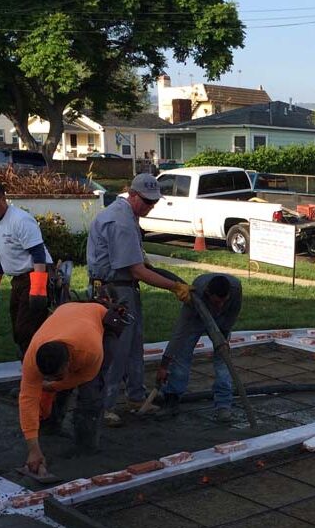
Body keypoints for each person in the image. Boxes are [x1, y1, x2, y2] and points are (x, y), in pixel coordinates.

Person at [86, 172, 191, 426]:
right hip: (114, 293)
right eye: (146, 201)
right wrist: (174, 286)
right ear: (132, 194)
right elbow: (138, 271)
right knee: (116, 350)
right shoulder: (120, 221)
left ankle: (135, 397)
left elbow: (136, 262)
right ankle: (105, 406)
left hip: (123, 289)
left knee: (134, 345)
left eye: (153, 202)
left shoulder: (128, 214)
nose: (150, 206)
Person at [19, 301, 116, 474]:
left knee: (91, 391)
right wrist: (33, 449)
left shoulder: (91, 351)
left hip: (101, 318)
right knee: (54, 387)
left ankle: (87, 444)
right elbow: (27, 399)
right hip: (65, 313)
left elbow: (86, 376)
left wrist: (56, 385)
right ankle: (53, 424)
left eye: (57, 374)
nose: (52, 379)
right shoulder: (32, 358)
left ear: (69, 361)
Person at [0, 180, 52, 358]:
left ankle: (38, 370)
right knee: (18, 329)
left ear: (3, 199)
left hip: (34, 276)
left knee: (26, 329)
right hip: (18, 281)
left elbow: (38, 254)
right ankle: (31, 369)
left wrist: (38, 291)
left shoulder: (21, 220)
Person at [156, 273, 242, 423]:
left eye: (224, 301)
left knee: (223, 360)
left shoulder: (235, 289)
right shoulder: (194, 295)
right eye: (216, 302)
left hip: (222, 320)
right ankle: (172, 399)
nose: (220, 305)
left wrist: (222, 339)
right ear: (208, 294)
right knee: (182, 355)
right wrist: (164, 364)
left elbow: (233, 314)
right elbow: (180, 333)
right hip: (197, 316)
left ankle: (223, 406)